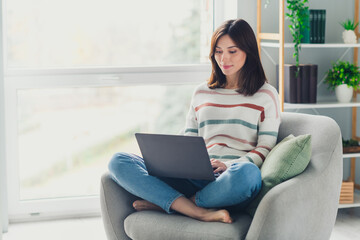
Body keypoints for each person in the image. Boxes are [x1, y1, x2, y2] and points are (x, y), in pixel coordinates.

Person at [108, 19, 280, 224]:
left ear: (248, 51)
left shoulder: (266, 95)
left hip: (228, 180)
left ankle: (171, 204)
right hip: (194, 174)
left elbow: (265, 148)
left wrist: (228, 165)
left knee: (249, 175)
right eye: (218, 51)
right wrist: (177, 163)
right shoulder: (201, 92)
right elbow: (190, 137)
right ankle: (197, 210)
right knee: (118, 161)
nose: (224, 58)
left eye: (232, 51)